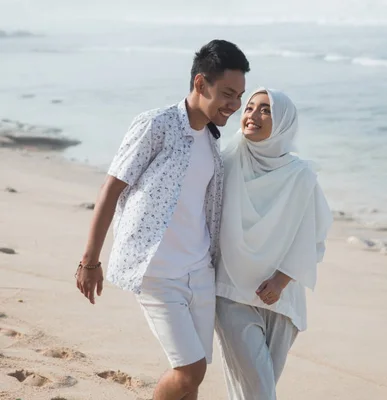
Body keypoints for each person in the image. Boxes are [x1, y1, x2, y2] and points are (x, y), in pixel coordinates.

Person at [75, 39, 249, 400]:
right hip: (156, 270)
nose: (235, 106)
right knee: (189, 370)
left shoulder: (211, 139)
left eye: (240, 97)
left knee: (193, 376)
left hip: (199, 270)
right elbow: (111, 188)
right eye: (228, 94)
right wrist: (89, 260)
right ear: (201, 84)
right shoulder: (157, 124)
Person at [215, 88, 333, 399]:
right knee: (260, 390)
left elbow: (313, 234)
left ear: (282, 122)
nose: (252, 115)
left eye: (265, 110)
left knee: (253, 389)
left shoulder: (301, 175)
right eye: (250, 107)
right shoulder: (225, 162)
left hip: (282, 298)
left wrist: (281, 280)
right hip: (232, 292)